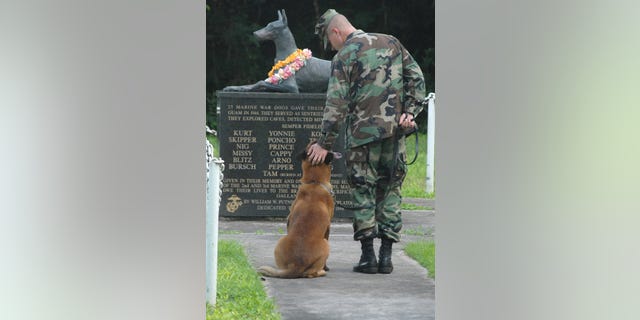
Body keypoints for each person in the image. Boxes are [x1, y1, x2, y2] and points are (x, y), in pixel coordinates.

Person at [308, 9, 426, 274]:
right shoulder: (392, 42)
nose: (332, 47)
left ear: (336, 32)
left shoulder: (344, 56)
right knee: (391, 191)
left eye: (330, 41)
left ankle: (368, 258)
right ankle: (387, 258)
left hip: (362, 139)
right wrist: (410, 112)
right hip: (395, 135)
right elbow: (416, 79)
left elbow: (335, 104)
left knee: (364, 192)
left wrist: (324, 143)